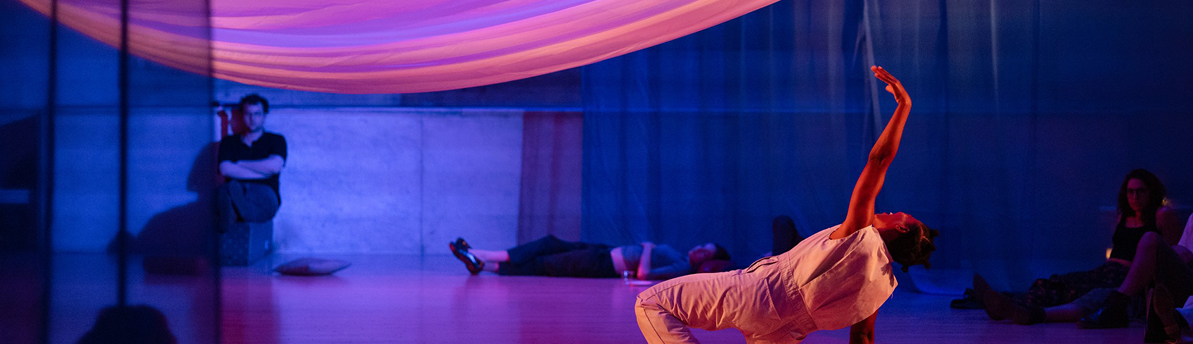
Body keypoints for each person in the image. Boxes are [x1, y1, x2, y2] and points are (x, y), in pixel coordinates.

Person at [634, 66, 938, 344]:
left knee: (651, 302)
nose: (891, 211)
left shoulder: (862, 234)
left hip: (758, 294)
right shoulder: (882, 288)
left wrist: (903, 106)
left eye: (899, 215)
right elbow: (863, 337)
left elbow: (879, 160)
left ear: (901, 228)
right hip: (787, 333)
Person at [978, 169, 1183, 327]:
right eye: (1131, 192)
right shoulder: (1123, 216)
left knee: (1077, 291)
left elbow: (1170, 254)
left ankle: (1014, 307)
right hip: (1108, 270)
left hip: (1127, 275)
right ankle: (1005, 303)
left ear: (1151, 192)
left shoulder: (1161, 215)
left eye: (1140, 191)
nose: (1135, 196)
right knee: (1058, 282)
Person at [448, 235, 729, 279]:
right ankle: (478, 259)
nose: (698, 249)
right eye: (702, 245)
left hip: (602, 264)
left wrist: (647, 248)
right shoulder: (680, 256)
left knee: (542, 263)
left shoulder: (682, 267)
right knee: (549, 243)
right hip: (603, 252)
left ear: (706, 261)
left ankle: (479, 258)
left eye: (705, 252)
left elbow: (644, 274)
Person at [216, 94, 287, 234]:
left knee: (240, 197)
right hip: (235, 189)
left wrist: (240, 163)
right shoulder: (229, 142)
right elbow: (225, 169)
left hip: (265, 192)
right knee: (225, 192)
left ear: (264, 116)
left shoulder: (276, 140)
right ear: (242, 116)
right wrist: (263, 172)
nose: (252, 119)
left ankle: (237, 214)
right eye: (248, 114)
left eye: (257, 114)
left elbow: (274, 167)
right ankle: (239, 210)